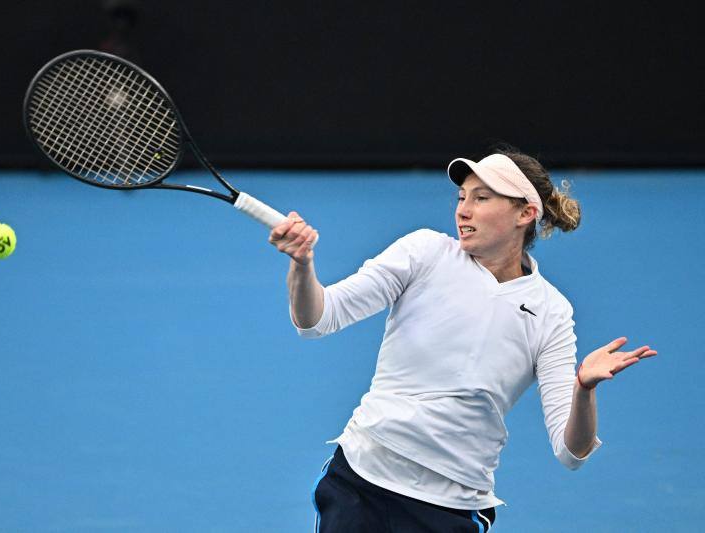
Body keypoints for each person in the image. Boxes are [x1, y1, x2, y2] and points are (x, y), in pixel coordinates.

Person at [268, 147, 657, 533]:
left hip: (449, 507)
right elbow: (318, 318)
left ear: (525, 214)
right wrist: (302, 266)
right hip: (361, 479)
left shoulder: (551, 312)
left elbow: (573, 451)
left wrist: (583, 389)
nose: (463, 209)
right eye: (461, 197)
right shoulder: (424, 252)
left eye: (481, 198)